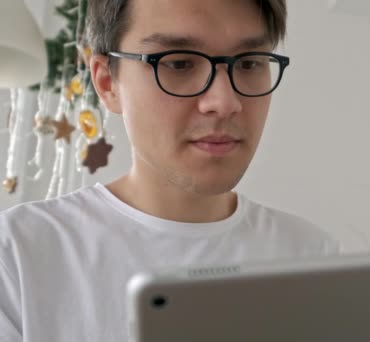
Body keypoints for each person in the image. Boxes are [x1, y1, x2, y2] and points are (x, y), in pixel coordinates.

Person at [0, 0, 339, 340]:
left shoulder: (309, 254)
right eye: (178, 63)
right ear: (107, 83)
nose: (224, 102)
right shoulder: (18, 253)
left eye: (249, 63)